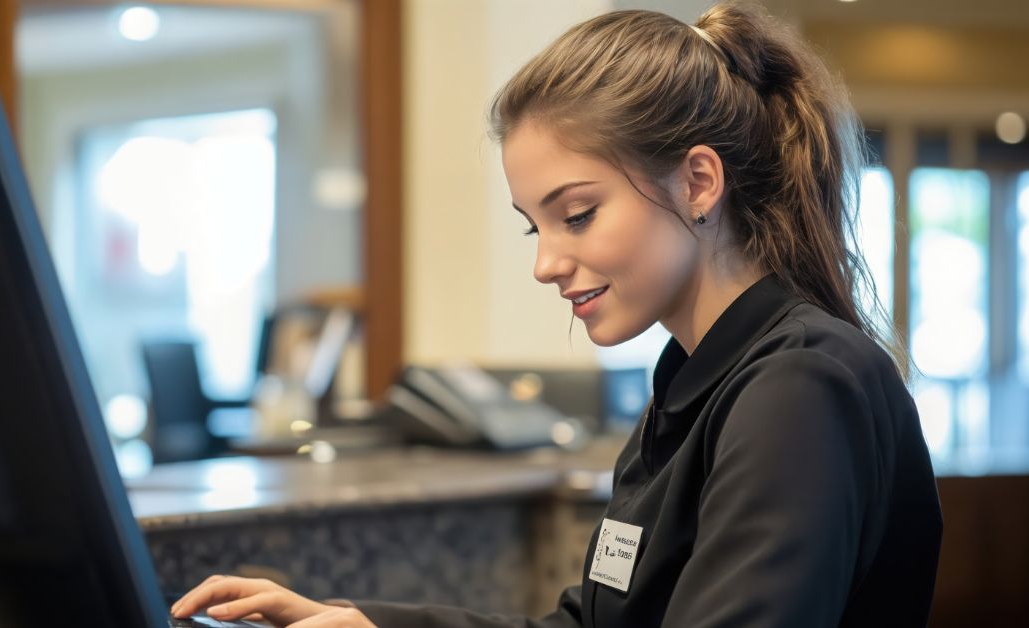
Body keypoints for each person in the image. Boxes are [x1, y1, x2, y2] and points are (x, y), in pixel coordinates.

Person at [170, 3, 943, 626]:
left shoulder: (798, 388)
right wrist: (365, 623)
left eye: (576, 215)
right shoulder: (688, 394)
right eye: (533, 226)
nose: (545, 263)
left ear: (699, 183)